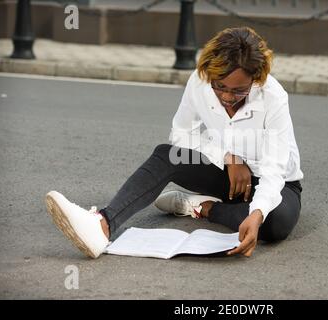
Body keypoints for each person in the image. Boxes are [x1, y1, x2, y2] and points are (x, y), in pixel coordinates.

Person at [45, 26, 303, 259]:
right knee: (167, 155)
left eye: (239, 90)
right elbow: (181, 133)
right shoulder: (200, 81)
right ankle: (102, 224)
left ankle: (202, 207)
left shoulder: (273, 97)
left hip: (279, 183)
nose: (227, 96)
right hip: (227, 173)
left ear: (256, 79)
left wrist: (257, 213)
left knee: (274, 223)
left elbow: (274, 168)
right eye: (220, 86)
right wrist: (229, 157)